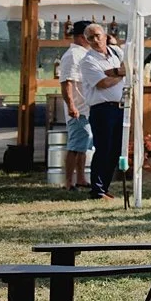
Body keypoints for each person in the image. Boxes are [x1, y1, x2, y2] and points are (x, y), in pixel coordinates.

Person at [79, 23, 125, 201]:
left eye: (98, 35)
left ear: (105, 36)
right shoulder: (88, 61)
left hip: (119, 107)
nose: (95, 40)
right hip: (102, 109)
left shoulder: (116, 53)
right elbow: (102, 83)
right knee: (103, 149)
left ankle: (104, 187)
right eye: (91, 38)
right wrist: (121, 73)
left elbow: (129, 67)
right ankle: (97, 190)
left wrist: (115, 72)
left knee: (115, 150)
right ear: (87, 41)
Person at [58, 20, 93, 190]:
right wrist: (71, 105)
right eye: (90, 36)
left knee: (83, 146)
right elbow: (67, 82)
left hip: (87, 107)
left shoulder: (85, 53)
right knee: (74, 146)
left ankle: (81, 178)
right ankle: (68, 181)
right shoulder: (72, 55)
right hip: (78, 108)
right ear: (81, 37)